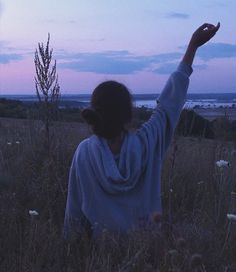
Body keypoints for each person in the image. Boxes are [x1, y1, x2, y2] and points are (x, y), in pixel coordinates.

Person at [64, 23, 220, 239]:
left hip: (102, 256)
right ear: (128, 115)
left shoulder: (84, 153)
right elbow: (169, 105)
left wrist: (71, 252)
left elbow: (74, 215)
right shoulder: (146, 143)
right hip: (147, 249)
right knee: (204, 235)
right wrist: (192, 46)